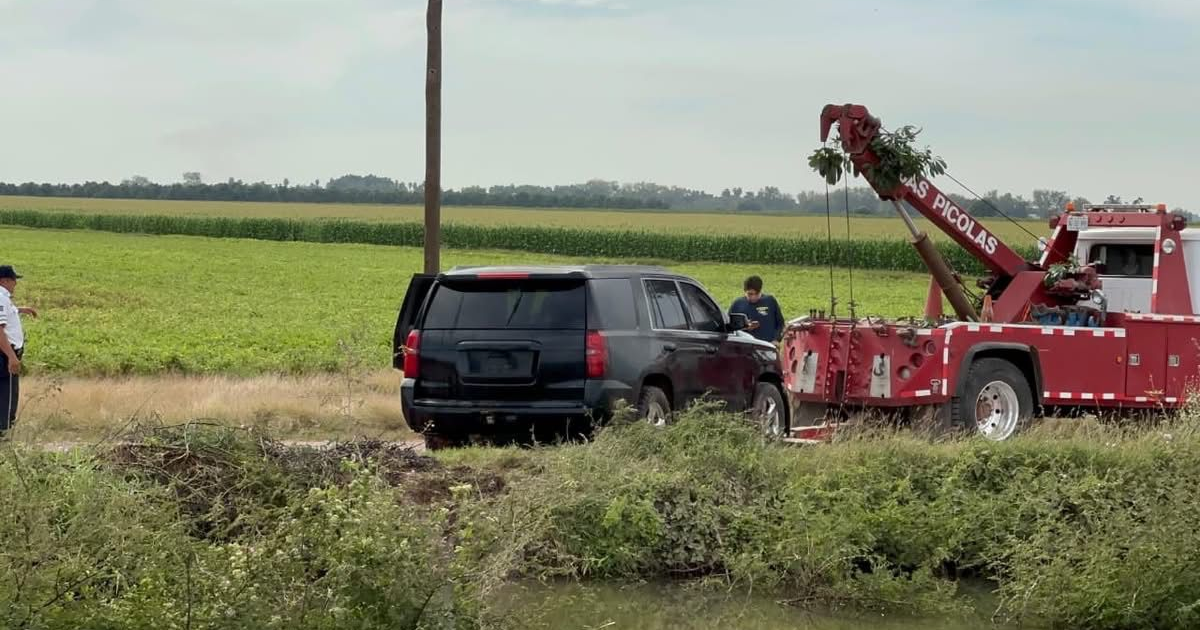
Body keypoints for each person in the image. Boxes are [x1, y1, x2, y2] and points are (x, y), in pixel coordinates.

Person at [0, 265, 37, 437]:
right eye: (14, 280)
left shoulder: (5, 298)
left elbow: (9, 312)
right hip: (4, 354)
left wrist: (22, 310)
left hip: (8, 353)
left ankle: (6, 426)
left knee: (10, 391)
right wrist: (11, 357)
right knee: (6, 393)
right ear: (5, 280)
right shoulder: (0, 297)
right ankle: (3, 431)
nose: (16, 284)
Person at [729, 275, 784, 344]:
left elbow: (780, 323)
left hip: (768, 345)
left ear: (761, 290)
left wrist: (776, 339)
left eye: (757, 294)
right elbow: (729, 327)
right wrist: (746, 327)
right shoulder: (737, 304)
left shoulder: (770, 301)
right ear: (744, 291)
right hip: (746, 346)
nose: (753, 297)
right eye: (750, 294)